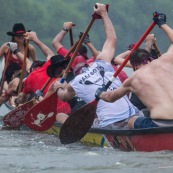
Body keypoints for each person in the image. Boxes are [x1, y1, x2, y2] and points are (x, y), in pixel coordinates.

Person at [54, 3, 139, 128]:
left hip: (109, 124)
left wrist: (58, 88)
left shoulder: (76, 81)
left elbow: (64, 97)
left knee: (61, 116)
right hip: (134, 115)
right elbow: (112, 39)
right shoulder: (103, 63)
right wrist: (104, 14)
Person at [96, 12, 173, 129]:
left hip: (161, 124)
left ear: (133, 66)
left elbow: (110, 97)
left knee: (132, 120)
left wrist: (100, 93)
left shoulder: (132, 80)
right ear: (149, 59)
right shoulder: (165, 60)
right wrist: (162, 24)